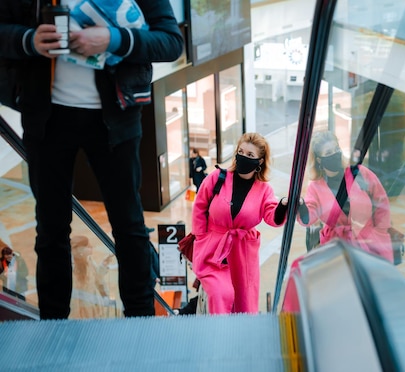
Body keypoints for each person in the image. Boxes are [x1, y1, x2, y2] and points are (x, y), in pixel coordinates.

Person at [0, 0, 184, 319]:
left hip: (116, 119)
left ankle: (141, 323)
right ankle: (54, 325)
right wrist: (27, 40)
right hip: (47, 118)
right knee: (51, 229)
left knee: (129, 226)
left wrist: (113, 39)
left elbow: (170, 42)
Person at [191, 132, 288, 315]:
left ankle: (240, 339)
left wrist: (283, 205)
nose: (243, 157)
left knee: (244, 303)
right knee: (221, 294)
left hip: (243, 254)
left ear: (260, 161)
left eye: (250, 155)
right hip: (213, 251)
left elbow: (272, 216)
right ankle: (218, 336)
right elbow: (199, 207)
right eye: (241, 152)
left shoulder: (264, 190)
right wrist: (201, 238)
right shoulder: (217, 178)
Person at [297, 131, 394, 263]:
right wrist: (301, 207)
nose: (335, 154)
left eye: (336, 149)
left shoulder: (359, 173)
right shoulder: (315, 187)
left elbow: (381, 201)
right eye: (328, 152)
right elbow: (309, 216)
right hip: (336, 248)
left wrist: (381, 231)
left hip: (370, 242)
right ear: (319, 159)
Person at [70, 235, 115, 318]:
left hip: (95, 305)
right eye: (87, 246)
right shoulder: (72, 268)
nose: (91, 247)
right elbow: (74, 298)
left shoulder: (89, 260)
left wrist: (103, 265)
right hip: (83, 312)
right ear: (80, 249)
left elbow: (96, 279)